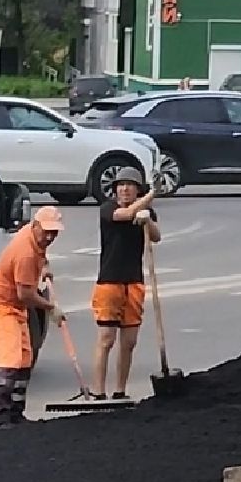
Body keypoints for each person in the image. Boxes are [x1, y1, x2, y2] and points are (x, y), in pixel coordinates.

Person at [0, 204, 65, 430]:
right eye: (46, 231)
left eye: (54, 232)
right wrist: (51, 307)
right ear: (35, 225)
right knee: (11, 357)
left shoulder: (34, 238)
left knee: (25, 356)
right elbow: (26, 294)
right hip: (0, 306)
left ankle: (16, 413)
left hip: (15, 306)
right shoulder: (25, 251)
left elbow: (41, 253)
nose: (49, 236)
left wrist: (45, 266)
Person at [89, 166, 161, 400]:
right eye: (121, 185)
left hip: (134, 281)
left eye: (129, 185)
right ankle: (98, 391)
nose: (124, 189)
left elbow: (157, 236)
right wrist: (152, 195)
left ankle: (120, 390)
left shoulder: (145, 210)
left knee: (129, 341)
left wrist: (147, 220)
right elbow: (125, 215)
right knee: (106, 338)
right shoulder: (108, 208)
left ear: (137, 189)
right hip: (109, 281)